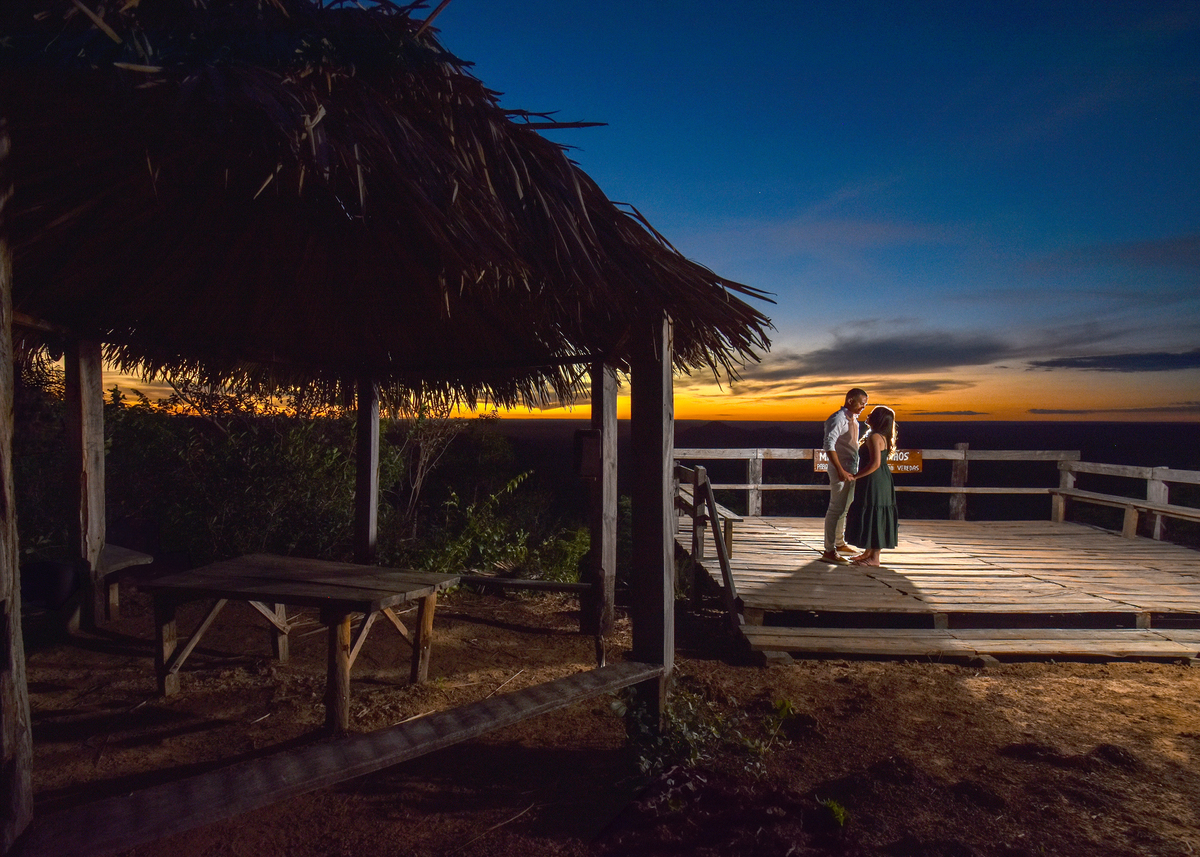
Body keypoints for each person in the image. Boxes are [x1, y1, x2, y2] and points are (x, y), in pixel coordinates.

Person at [819, 388, 868, 564]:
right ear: (850, 400)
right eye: (861, 403)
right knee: (836, 508)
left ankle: (839, 543)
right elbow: (828, 445)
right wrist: (839, 469)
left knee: (845, 507)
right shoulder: (838, 418)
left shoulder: (853, 419)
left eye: (865, 404)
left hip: (851, 469)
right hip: (841, 469)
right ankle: (829, 550)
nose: (864, 407)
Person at [846, 406, 899, 567]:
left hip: (874, 479)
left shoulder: (875, 437)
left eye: (872, 414)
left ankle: (875, 558)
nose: (868, 415)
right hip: (879, 478)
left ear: (878, 419)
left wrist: (855, 476)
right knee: (871, 512)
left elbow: (875, 463)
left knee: (875, 513)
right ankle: (868, 552)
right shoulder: (881, 436)